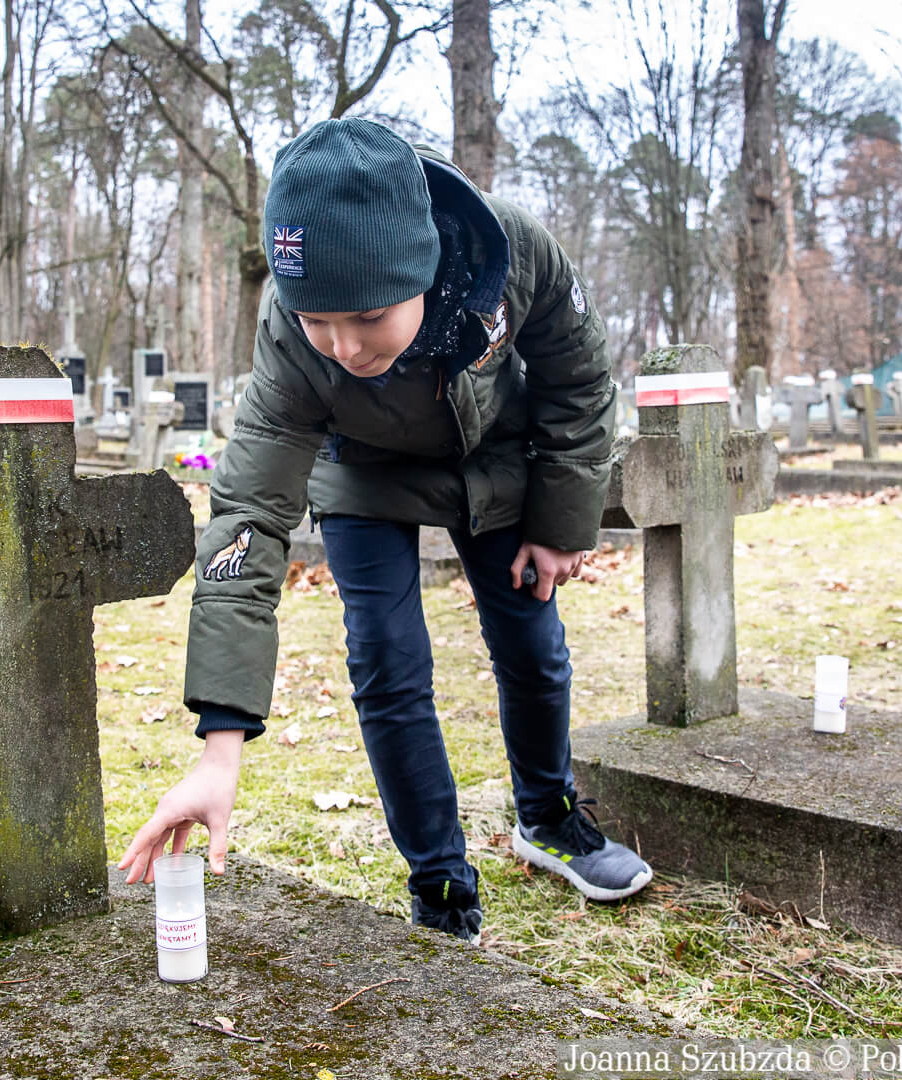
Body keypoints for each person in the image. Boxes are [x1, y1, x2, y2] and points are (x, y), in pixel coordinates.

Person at [116, 117, 652, 941]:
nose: (343, 346)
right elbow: (247, 520)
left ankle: (548, 816)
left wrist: (560, 518)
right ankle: (438, 878)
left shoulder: (510, 253)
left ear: (423, 267)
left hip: (495, 453)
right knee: (388, 662)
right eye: (318, 320)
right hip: (363, 470)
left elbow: (578, 375)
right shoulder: (293, 339)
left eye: (367, 315)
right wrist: (219, 751)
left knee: (531, 642)